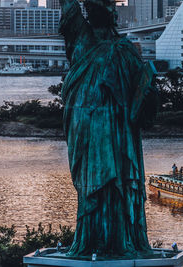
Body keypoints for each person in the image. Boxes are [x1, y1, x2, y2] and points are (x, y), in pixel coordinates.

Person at [59, 0, 157, 257]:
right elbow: (68, 6)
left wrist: (148, 88)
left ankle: (116, 238)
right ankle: (95, 238)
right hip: (87, 126)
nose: (101, 9)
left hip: (115, 128)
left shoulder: (124, 49)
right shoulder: (81, 39)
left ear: (114, 14)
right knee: (95, 182)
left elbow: (143, 101)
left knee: (117, 182)